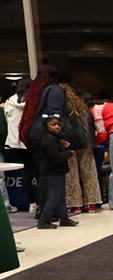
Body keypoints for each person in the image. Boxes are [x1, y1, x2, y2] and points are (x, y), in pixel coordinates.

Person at [19, 65, 69, 218]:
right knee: (50, 174)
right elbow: (55, 115)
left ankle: (45, 209)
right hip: (44, 136)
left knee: (43, 173)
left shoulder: (35, 90)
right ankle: (47, 211)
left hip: (31, 135)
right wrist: (61, 136)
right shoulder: (54, 90)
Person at [61, 84, 101, 213]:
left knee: (71, 174)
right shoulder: (83, 107)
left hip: (70, 142)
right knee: (89, 173)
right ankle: (91, 203)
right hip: (87, 142)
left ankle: (75, 204)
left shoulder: (63, 107)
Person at [37, 115, 78, 229]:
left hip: (58, 171)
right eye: (53, 125)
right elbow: (56, 156)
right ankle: (43, 220)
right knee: (54, 197)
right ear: (46, 126)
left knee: (61, 196)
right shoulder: (49, 139)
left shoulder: (54, 138)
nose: (57, 127)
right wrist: (69, 153)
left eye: (58, 125)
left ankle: (64, 218)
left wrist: (63, 147)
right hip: (52, 172)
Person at [5, 77, 36, 213]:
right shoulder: (34, 101)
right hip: (31, 140)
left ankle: (31, 204)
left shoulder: (9, 102)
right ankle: (43, 203)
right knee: (39, 172)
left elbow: (8, 120)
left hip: (15, 142)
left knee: (25, 173)